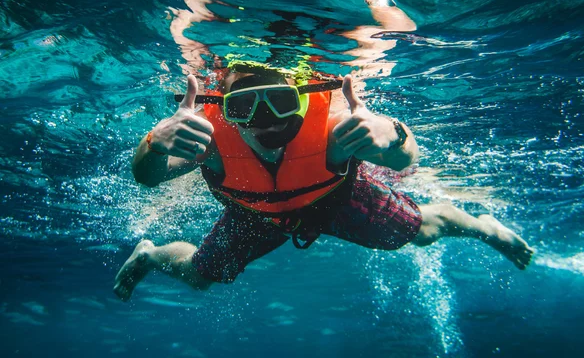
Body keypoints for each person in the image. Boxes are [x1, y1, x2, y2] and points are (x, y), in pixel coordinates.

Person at [113, 63, 534, 302]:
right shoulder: (207, 138)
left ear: (300, 97)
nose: (266, 121)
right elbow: (148, 179)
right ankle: (150, 256)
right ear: (224, 108)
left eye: (279, 102)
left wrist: (392, 138)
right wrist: (153, 145)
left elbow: (406, 156)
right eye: (244, 106)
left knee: (421, 231)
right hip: (253, 214)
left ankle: (483, 226)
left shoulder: (332, 126)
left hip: (334, 197)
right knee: (200, 276)